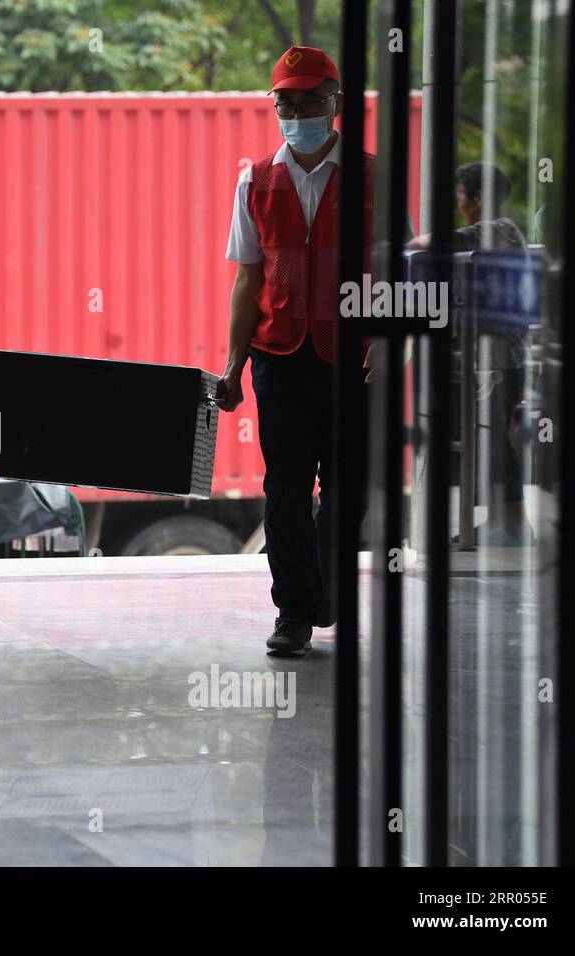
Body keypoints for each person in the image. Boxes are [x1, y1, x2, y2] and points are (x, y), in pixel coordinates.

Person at [216, 46, 374, 657]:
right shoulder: (255, 179)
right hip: (278, 356)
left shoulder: (370, 177)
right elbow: (247, 280)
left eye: (311, 101)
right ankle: (293, 614)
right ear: (275, 106)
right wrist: (232, 366)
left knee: (345, 492)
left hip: (352, 360)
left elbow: (399, 270)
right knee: (285, 488)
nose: (299, 112)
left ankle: (324, 585)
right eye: (287, 102)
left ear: (335, 105)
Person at [412, 161, 533, 544]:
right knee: (488, 442)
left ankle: (514, 524)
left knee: (495, 443)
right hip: (491, 359)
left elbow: (433, 242)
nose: (459, 203)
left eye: (461, 196)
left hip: (502, 362)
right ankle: (501, 520)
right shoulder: (499, 232)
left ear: (478, 199)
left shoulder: (499, 230)